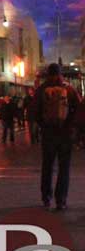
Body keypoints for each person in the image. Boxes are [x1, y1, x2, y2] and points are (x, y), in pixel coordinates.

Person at [35, 64, 80, 210]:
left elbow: (35, 112)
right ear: (61, 74)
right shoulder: (69, 89)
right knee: (64, 168)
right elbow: (78, 109)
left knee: (47, 166)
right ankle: (61, 200)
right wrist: (70, 126)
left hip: (48, 134)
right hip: (65, 135)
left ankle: (46, 198)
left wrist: (43, 125)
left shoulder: (41, 90)